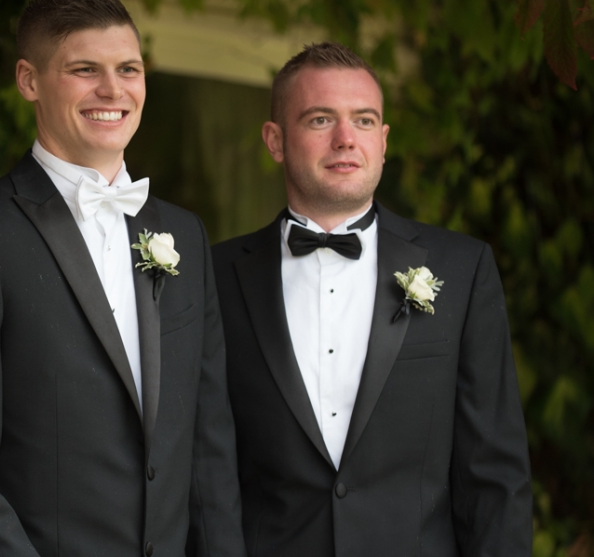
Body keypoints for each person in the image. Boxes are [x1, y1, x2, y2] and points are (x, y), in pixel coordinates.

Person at [0, 0, 244, 557]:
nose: (113, 88)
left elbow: (207, 445)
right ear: (28, 80)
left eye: (130, 70)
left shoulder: (183, 234)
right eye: (85, 69)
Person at [212, 42, 532, 555]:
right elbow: (207, 472)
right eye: (320, 120)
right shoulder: (216, 278)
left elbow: (494, 473)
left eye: (363, 121)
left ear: (383, 141)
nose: (345, 139)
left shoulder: (461, 269)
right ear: (275, 140)